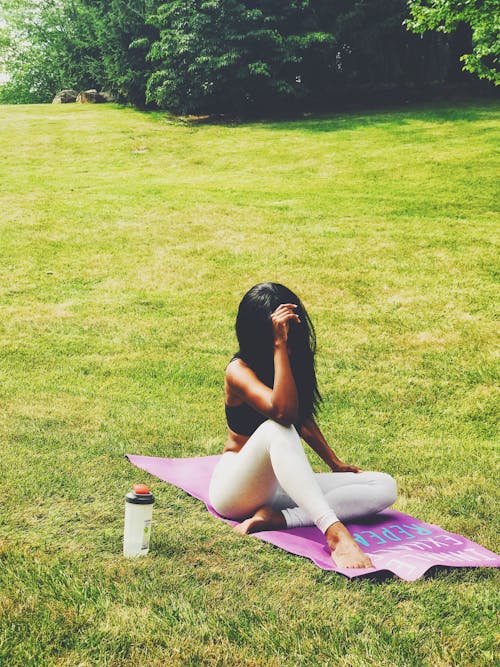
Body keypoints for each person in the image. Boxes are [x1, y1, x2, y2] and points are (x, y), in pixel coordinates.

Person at [209, 283, 397, 569]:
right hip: (236, 489)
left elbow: (302, 419)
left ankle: (279, 518)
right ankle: (336, 535)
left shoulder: (287, 358)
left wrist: (334, 463)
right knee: (276, 429)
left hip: (279, 488)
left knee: (383, 486)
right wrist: (279, 346)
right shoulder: (238, 370)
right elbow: (283, 415)